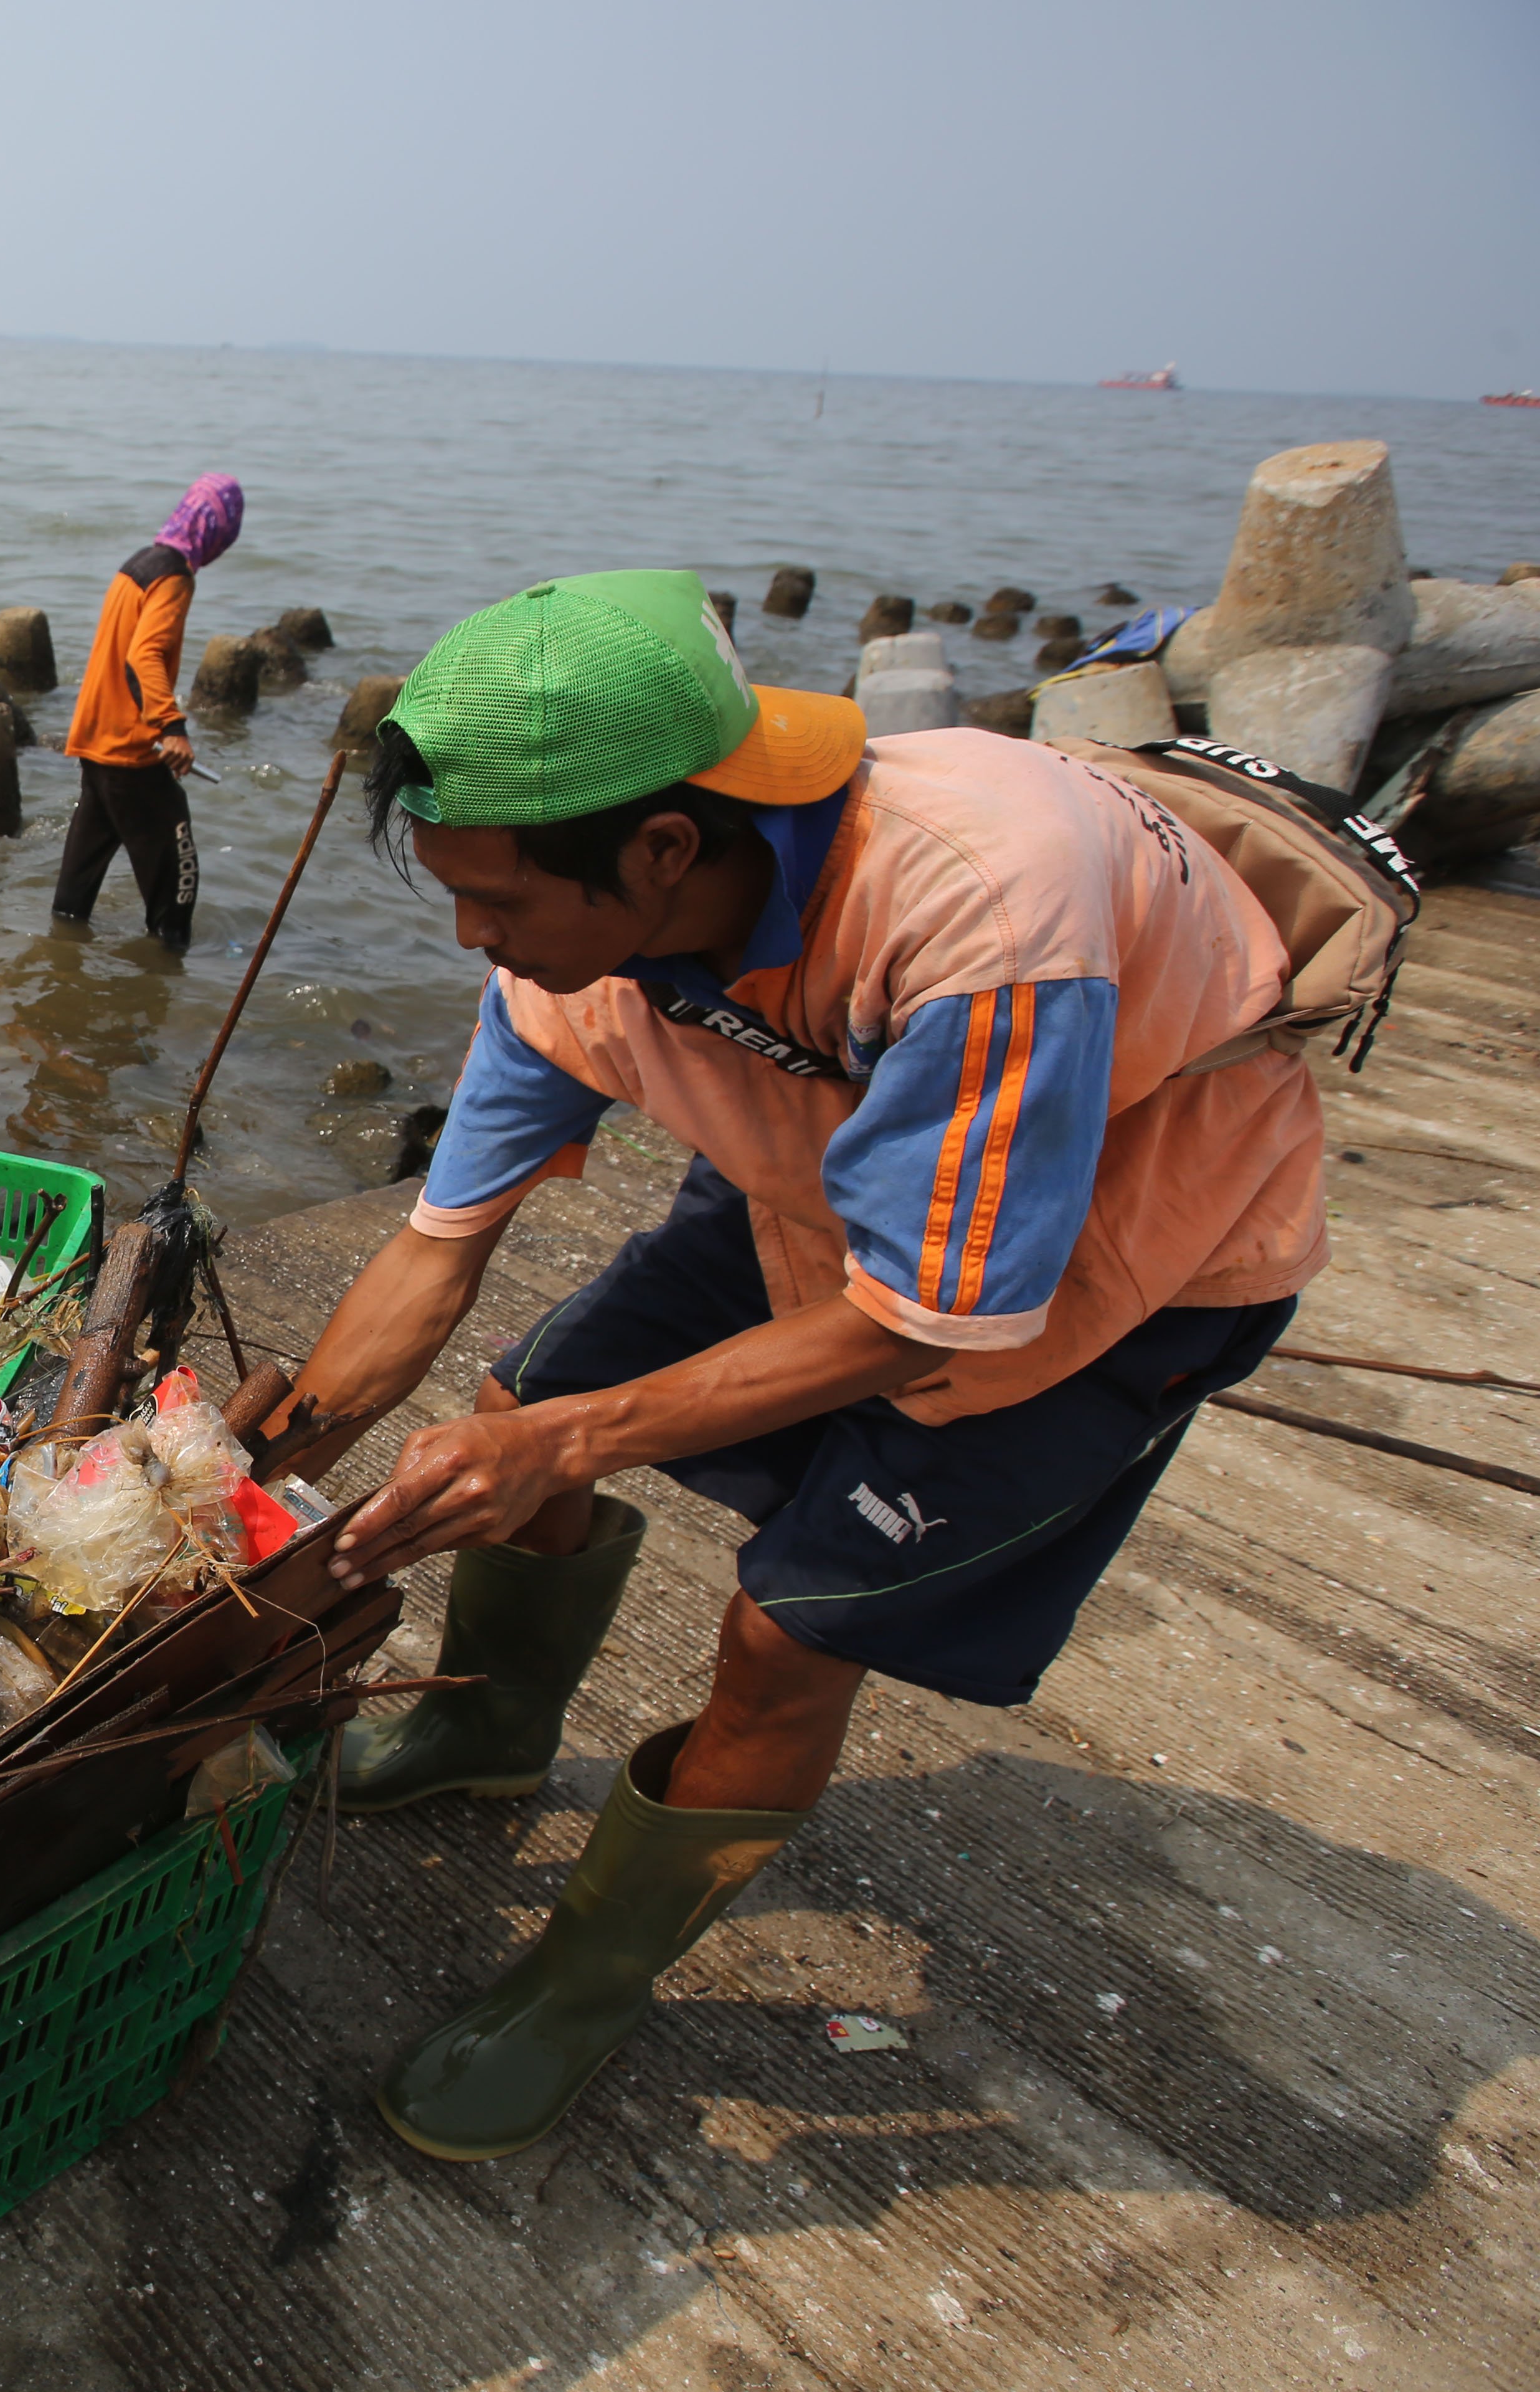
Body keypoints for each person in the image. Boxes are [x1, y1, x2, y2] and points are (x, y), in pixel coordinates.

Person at [256, 570, 1324, 2163]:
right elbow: (432, 1244)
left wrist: (579, 1438)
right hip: (825, 1153)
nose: (476, 942)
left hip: (1113, 1226)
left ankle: (589, 1977)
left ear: (663, 848)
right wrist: (239, 1470)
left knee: (780, 1630)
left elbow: (924, 1314)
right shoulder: (580, 954)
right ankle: (483, 1729)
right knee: (507, 1411)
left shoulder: (977, 909)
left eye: (499, 903)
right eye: (451, 898)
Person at [52, 472, 242, 950]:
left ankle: (57, 967)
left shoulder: (138, 564)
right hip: (131, 752)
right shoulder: (173, 576)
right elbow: (144, 657)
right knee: (177, 891)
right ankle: (167, 990)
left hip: (96, 745)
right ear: (218, 531)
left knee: (73, 898)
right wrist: (172, 727)